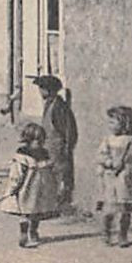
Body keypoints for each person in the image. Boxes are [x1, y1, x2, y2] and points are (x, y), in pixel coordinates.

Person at [95, 105, 132, 247]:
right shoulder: (108, 140)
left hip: (128, 177)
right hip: (113, 176)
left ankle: (122, 234)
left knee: (125, 209)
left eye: (113, 122)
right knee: (109, 209)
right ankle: (106, 231)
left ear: (125, 123)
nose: (110, 125)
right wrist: (109, 162)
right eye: (109, 122)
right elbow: (100, 155)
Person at [1, 122, 61, 248]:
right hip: (26, 190)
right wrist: (13, 188)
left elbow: (52, 171)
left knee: (37, 212)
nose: (40, 143)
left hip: (41, 190)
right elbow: (16, 175)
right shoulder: (22, 157)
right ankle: (24, 234)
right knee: (25, 213)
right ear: (27, 140)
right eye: (36, 140)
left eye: (42, 140)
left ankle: (33, 231)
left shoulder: (45, 154)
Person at [35, 75, 79, 210]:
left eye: (41, 89)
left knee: (60, 178)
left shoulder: (59, 107)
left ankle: (61, 206)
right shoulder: (50, 104)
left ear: (48, 90)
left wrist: (66, 148)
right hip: (49, 148)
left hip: (57, 149)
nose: (40, 92)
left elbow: (67, 130)